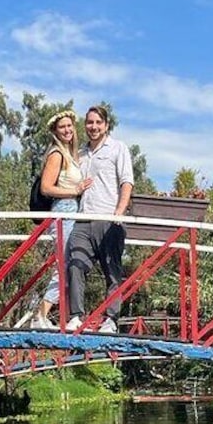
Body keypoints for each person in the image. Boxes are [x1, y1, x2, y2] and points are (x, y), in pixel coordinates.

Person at [65, 105, 134, 333]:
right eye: (89, 123)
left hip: (109, 220)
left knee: (112, 270)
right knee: (75, 265)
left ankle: (111, 320)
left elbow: (127, 182)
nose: (93, 127)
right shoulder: (80, 153)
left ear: (106, 125)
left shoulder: (118, 148)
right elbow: (71, 182)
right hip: (83, 220)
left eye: (98, 123)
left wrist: (119, 212)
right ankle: (76, 316)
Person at [30, 109, 93, 329]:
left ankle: (45, 315)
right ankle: (41, 315)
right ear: (56, 132)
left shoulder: (72, 155)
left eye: (69, 126)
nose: (67, 130)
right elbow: (47, 188)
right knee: (64, 265)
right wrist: (75, 190)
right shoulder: (57, 154)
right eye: (62, 127)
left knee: (69, 264)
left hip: (73, 212)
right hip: (64, 212)